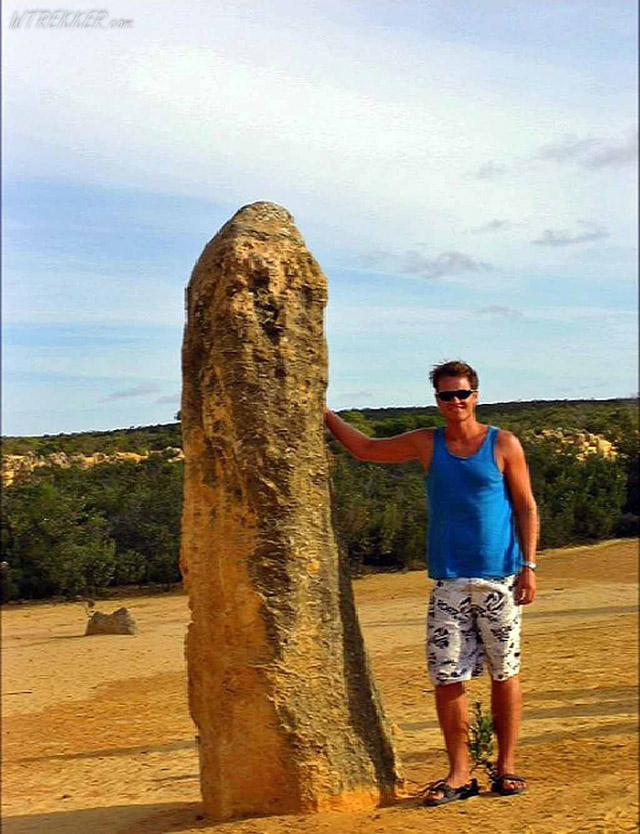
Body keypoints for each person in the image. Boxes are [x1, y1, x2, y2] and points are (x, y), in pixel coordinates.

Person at [324, 360, 538, 806]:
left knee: (506, 673)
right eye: (446, 395)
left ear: (476, 396)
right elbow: (365, 448)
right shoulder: (427, 444)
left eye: (462, 394)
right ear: (437, 400)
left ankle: (506, 767)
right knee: (448, 677)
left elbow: (525, 507)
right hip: (449, 582)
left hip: (500, 578)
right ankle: (459, 773)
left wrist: (529, 566)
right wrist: (321, 412)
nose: (456, 402)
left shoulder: (504, 444)